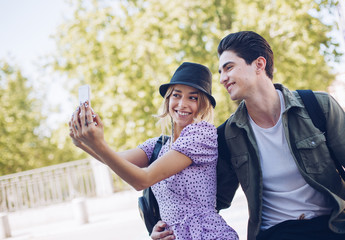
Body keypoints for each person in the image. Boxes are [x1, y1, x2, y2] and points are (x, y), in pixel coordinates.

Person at [150, 31, 345, 240]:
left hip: (337, 226)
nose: (222, 79)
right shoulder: (227, 135)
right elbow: (205, 202)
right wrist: (169, 229)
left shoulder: (317, 106)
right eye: (220, 72)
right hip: (276, 233)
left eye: (229, 68)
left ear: (259, 64)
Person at [69, 62, 239, 240]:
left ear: (203, 105)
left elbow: (142, 180)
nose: (182, 104)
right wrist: (82, 142)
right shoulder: (159, 145)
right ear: (168, 99)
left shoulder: (201, 134)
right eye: (176, 95)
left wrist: (98, 143)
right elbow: (114, 159)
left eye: (193, 98)